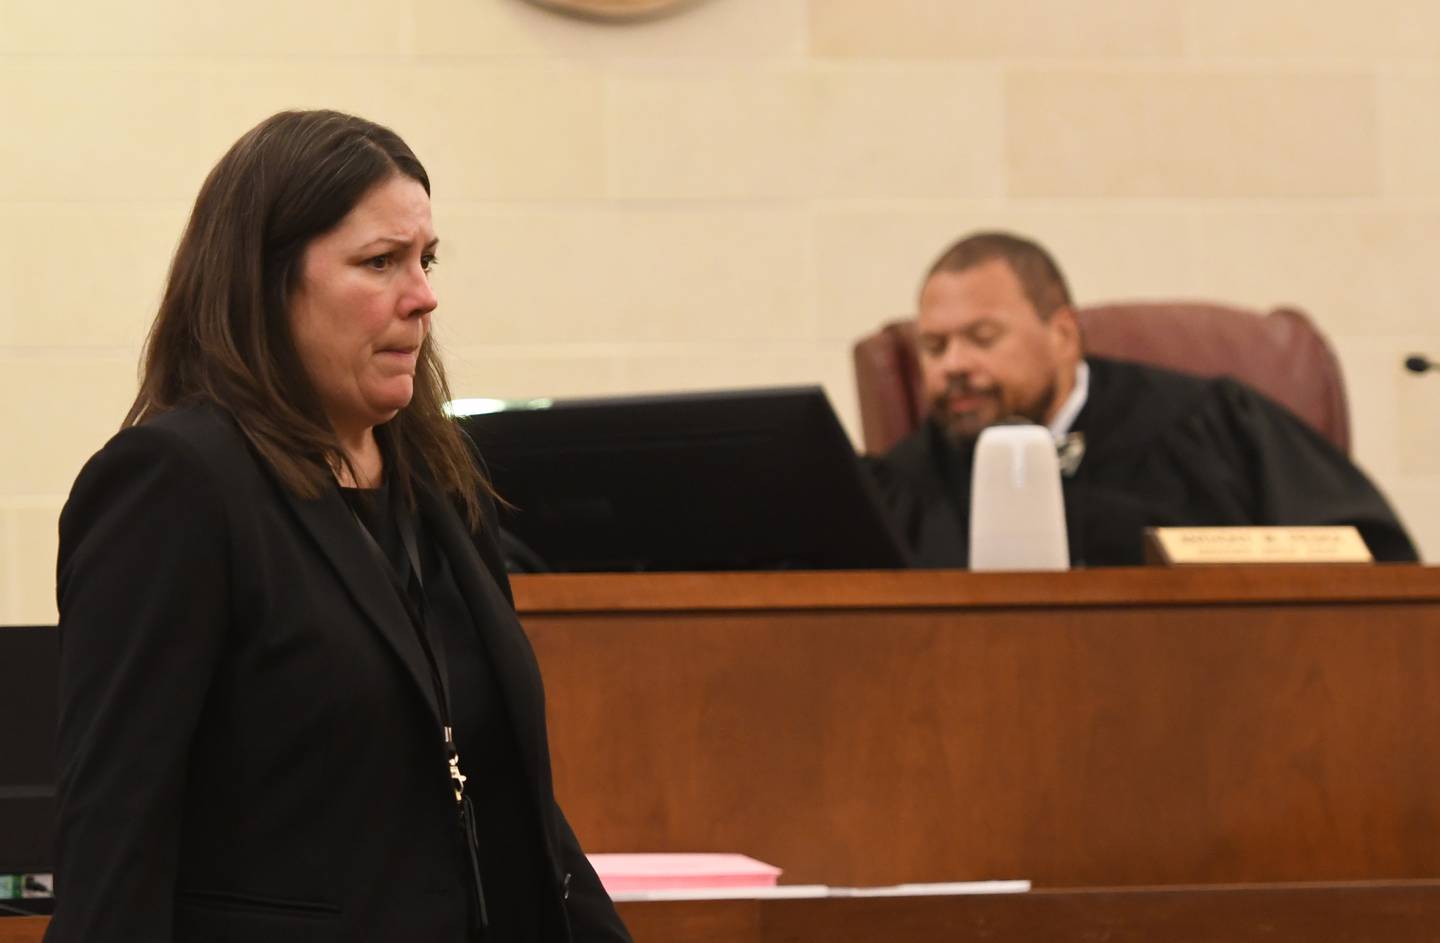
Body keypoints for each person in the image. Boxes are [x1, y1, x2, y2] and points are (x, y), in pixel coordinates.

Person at [47, 110, 631, 942]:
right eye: (380, 261)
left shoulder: (436, 481)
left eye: (426, 259)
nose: (423, 295)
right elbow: (116, 835)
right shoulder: (175, 484)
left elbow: (504, 798)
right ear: (267, 280)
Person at [866, 231, 1418, 568]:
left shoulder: (1212, 425)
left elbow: (1367, 557)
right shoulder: (906, 485)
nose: (953, 365)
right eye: (933, 347)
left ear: (1062, 336)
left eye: (982, 338)